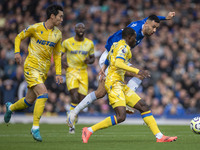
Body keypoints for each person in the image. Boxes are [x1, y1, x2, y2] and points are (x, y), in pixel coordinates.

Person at [67, 12, 175, 125]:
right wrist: (104, 66)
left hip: (116, 58)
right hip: (110, 58)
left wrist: (165, 18)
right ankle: (125, 101)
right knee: (139, 74)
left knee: (100, 93)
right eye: (153, 27)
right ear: (147, 24)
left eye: (156, 28)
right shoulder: (135, 32)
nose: (154, 30)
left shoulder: (144, 24)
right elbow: (113, 49)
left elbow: (152, 19)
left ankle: (73, 112)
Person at [81, 27, 177, 143]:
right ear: (130, 37)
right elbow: (118, 63)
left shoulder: (116, 44)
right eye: (134, 38)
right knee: (121, 116)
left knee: (143, 106)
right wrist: (137, 71)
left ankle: (159, 136)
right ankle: (89, 130)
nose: (135, 40)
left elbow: (110, 60)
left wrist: (104, 68)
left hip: (119, 83)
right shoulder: (124, 47)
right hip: (114, 84)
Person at [4, 4, 64, 142]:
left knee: (29, 100)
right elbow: (18, 37)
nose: (62, 19)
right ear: (52, 16)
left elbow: (58, 55)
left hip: (43, 71)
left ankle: (10, 107)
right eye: (60, 16)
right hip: (31, 66)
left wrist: (58, 73)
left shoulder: (58, 34)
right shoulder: (35, 28)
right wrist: (17, 52)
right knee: (43, 94)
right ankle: (35, 127)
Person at [62, 23, 95, 133]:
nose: (81, 29)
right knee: (74, 96)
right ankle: (71, 124)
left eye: (83, 28)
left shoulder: (89, 43)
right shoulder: (67, 42)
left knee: (81, 100)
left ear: (85, 30)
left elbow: (92, 58)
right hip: (71, 71)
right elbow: (59, 55)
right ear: (75, 29)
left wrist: (88, 61)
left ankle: (73, 113)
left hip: (83, 72)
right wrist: (62, 63)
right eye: (78, 28)